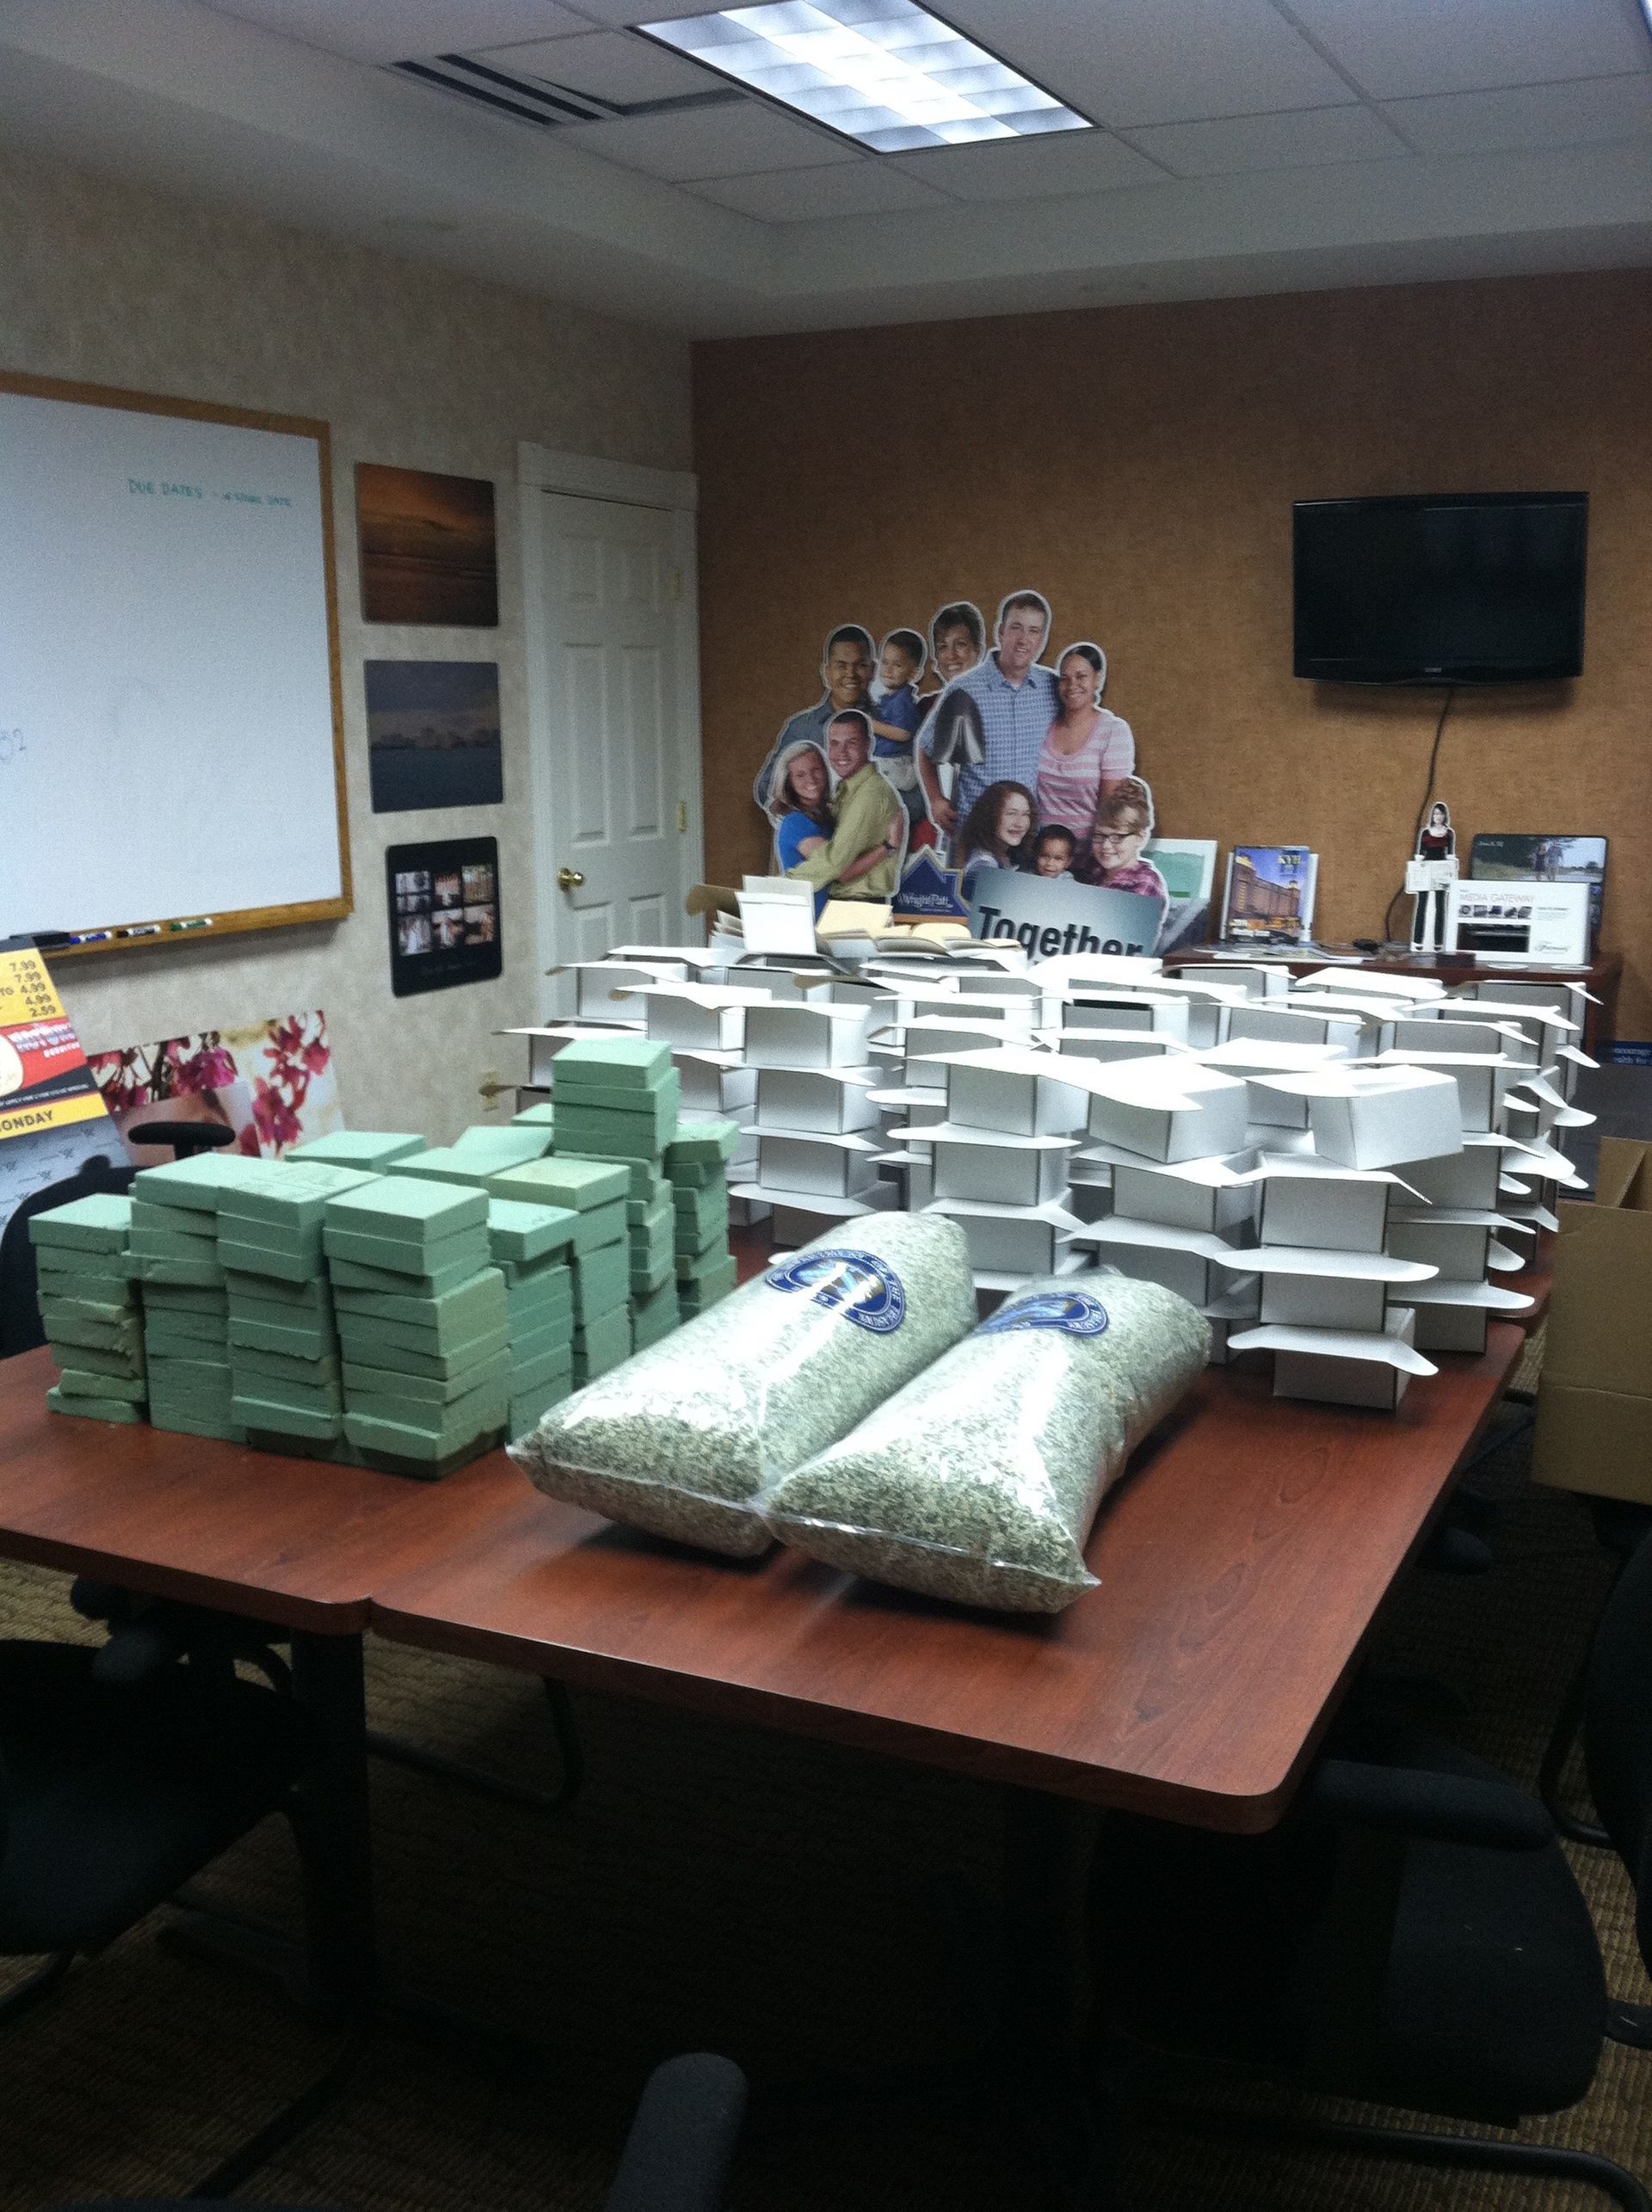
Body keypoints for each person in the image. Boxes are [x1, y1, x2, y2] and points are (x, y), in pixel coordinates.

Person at [918, 590, 1057, 841]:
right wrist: (936, 800)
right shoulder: (965, 690)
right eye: (1016, 628)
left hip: (1028, 838)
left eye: (1033, 631)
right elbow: (925, 748)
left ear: (1043, 639)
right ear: (1000, 632)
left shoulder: (1051, 688)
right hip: (974, 833)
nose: (1024, 639)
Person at [784, 711, 904, 903]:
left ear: (869, 745)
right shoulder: (847, 790)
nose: (842, 752)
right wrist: (888, 848)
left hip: (858, 907)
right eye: (834, 744)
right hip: (850, 905)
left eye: (852, 742)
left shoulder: (870, 793)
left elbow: (836, 862)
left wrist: (786, 884)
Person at [753, 625, 876, 810]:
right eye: (841, 665)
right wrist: (802, 820)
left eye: (861, 665)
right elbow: (767, 787)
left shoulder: (894, 725)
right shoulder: (801, 727)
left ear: (872, 670)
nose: (851, 674)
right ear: (826, 673)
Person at [1034, 643, 1135, 836]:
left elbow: (1110, 809)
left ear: (1097, 679)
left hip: (1088, 855)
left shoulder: (1114, 731)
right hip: (1041, 854)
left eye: (1081, 677)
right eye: (1065, 679)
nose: (1072, 685)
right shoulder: (1044, 725)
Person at [867, 628, 928, 835]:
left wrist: (873, 726)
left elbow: (904, 733)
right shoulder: (889, 698)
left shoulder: (903, 700)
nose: (888, 670)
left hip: (895, 763)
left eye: (897, 665)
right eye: (885, 662)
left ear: (913, 673)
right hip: (889, 761)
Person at [1075, 778, 1168, 907]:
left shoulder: (1146, 881)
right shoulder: (1095, 872)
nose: (1106, 846)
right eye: (1099, 836)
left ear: (1140, 837)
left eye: (1117, 837)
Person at [956, 779, 1036, 903]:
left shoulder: (1009, 856)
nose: (1020, 823)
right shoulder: (983, 866)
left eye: (1026, 814)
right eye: (1011, 814)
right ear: (990, 817)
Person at [1412, 800, 1455, 950]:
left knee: (1440, 906)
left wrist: (1451, 871)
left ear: (1445, 816)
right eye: (1436, 813)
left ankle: (1438, 942)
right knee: (1421, 904)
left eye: (1441, 814)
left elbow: (1450, 854)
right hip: (1426, 868)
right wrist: (1417, 870)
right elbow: (1420, 853)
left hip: (1441, 870)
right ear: (1433, 815)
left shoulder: (1449, 833)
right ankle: (1417, 941)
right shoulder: (1425, 832)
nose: (1438, 816)